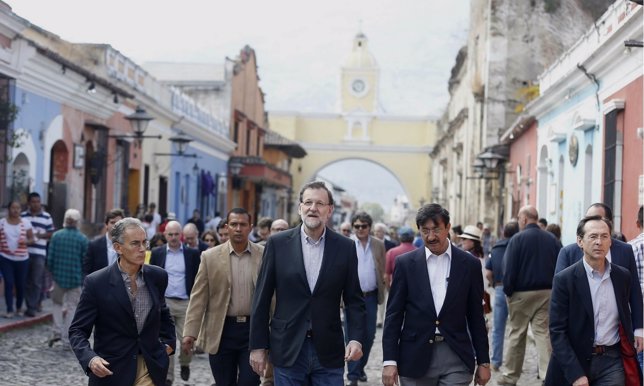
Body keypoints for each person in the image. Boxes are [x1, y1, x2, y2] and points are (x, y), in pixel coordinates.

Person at [249, 181, 366, 384]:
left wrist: (355, 339)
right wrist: (258, 346)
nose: (313, 208)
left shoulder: (345, 248)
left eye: (320, 204)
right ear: (300, 207)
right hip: (288, 348)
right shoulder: (277, 244)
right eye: (308, 202)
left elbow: (354, 300)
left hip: (328, 351)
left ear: (329, 210)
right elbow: (262, 297)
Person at [382, 203, 490, 386]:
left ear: (448, 227)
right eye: (425, 231)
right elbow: (394, 315)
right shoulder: (406, 264)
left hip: (456, 356)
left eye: (436, 229)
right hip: (415, 357)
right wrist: (389, 361)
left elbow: (476, 317)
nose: (431, 236)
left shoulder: (469, 264)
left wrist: (483, 361)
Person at [69, 217, 176, 386]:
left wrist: (169, 343)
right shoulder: (96, 282)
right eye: (135, 243)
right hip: (112, 369)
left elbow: (163, 313)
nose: (142, 249)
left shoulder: (158, 276)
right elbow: (77, 331)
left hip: (150, 366)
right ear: (118, 247)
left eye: (144, 243)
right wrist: (91, 359)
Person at [545, 215, 643, 386]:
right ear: (580, 241)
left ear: (610, 241)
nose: (599, 242)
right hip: (576, 359)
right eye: (593, 236)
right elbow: (557, 331)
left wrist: (638, 329)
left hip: (612, 361)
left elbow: (628, 310)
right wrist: (575, 374)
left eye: (604, 236)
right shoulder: (564, 280)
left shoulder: (622, 277)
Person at [183, 208, 264, 386]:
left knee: (249, 382)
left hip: (253, 332)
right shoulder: (210, 257)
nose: (238, 228)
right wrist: (190, 332)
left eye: (243, 224)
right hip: (221, 331)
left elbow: (273, 295)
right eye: (234, 224)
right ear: (227, 227)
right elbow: (199, 297)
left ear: (250, 227)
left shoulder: (264, 255)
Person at [555, 203, 643, 350]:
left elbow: (634, 291)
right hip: (578, 337)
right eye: (588, 218)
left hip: (615, 339)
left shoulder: (625, 250)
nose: (592, 223)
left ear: (608, 225)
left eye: (596, 218)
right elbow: (559, 295)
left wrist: (639, 329)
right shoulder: (568, 253)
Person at [498, 205, 561, 385]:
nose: (518, 221)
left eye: (519, 218)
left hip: (521, 294)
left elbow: (508, 269)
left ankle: (510, 376)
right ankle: (548, 375)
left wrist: (508, 292)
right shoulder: (552, 239)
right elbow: (560, 266)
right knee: (543, 334)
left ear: (524, 219)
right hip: (547, 292)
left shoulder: (517, 239)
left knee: (517, 334)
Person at [150, 220, 201, 385]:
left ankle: (185, 363)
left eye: (176, 234)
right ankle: (168, 376)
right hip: (165, 303)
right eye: (170, 234)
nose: (173, 237)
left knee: (187, 339)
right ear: (165, 235)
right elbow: (151, 277)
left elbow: (198, 278)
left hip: (186, 302)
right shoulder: (157, 253)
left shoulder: (192, 254)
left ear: (181, 235)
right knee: (166, 341)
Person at [345, 212, 386, 385]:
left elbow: (381, 267)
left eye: (364, 226)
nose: (360, 229)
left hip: (370, 297)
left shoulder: (378, 245)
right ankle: (353, 376)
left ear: (369, 227)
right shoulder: (346, 244)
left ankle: (360, 367)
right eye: (357, 226)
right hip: (350, 298)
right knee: (352, 335)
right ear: (353, 227)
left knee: (369, 336)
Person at [46, 208, 88, 349]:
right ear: (77, 222)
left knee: (57, 304)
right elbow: (85, 260)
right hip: (75, 278)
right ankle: (66, 339)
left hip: (58, 277)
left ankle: (56, 331)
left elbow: (50, 258)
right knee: (72, 307)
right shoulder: (82, 239)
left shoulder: (56, 236)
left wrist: (53, 273)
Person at [484, 221, 519, 371]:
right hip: (517, 291)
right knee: (517, 329)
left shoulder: (496, 248)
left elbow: (488, 273)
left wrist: (493, 285)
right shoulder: (519, 246)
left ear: (504, 233)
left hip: (499, 288)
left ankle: (495, 361)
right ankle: (514, 364)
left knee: (498, 328)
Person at [22, 192, 55, 317]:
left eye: (38, 201)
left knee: (36, 280)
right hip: (24, 253)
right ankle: (29, 303)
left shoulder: (46, 216)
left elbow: (52, 233)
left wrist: (38, 235)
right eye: (33, 202)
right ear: (29, 203)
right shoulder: (23, 216)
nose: (36, 204)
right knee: (26, 280)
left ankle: (33, 306)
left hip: (39, 253)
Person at [0, 201, 35, 318]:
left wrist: (26, 241)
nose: (15, 210)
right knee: (9, 283)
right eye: (13, 208)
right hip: (6, 258)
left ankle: (19, 307)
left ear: (21, 210)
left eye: (18, 208)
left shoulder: (25, 223)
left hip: (22, 259)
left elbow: (32, 239)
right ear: (8, 209)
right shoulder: (2, 223)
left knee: (20, 284)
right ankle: (9, 309)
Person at [83, 209, 124, 277]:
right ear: (106, 225)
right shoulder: (94, 245)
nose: (116, 225)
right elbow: (86, 270)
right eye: (112, 222)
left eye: (119, 223)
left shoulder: (126, 246)